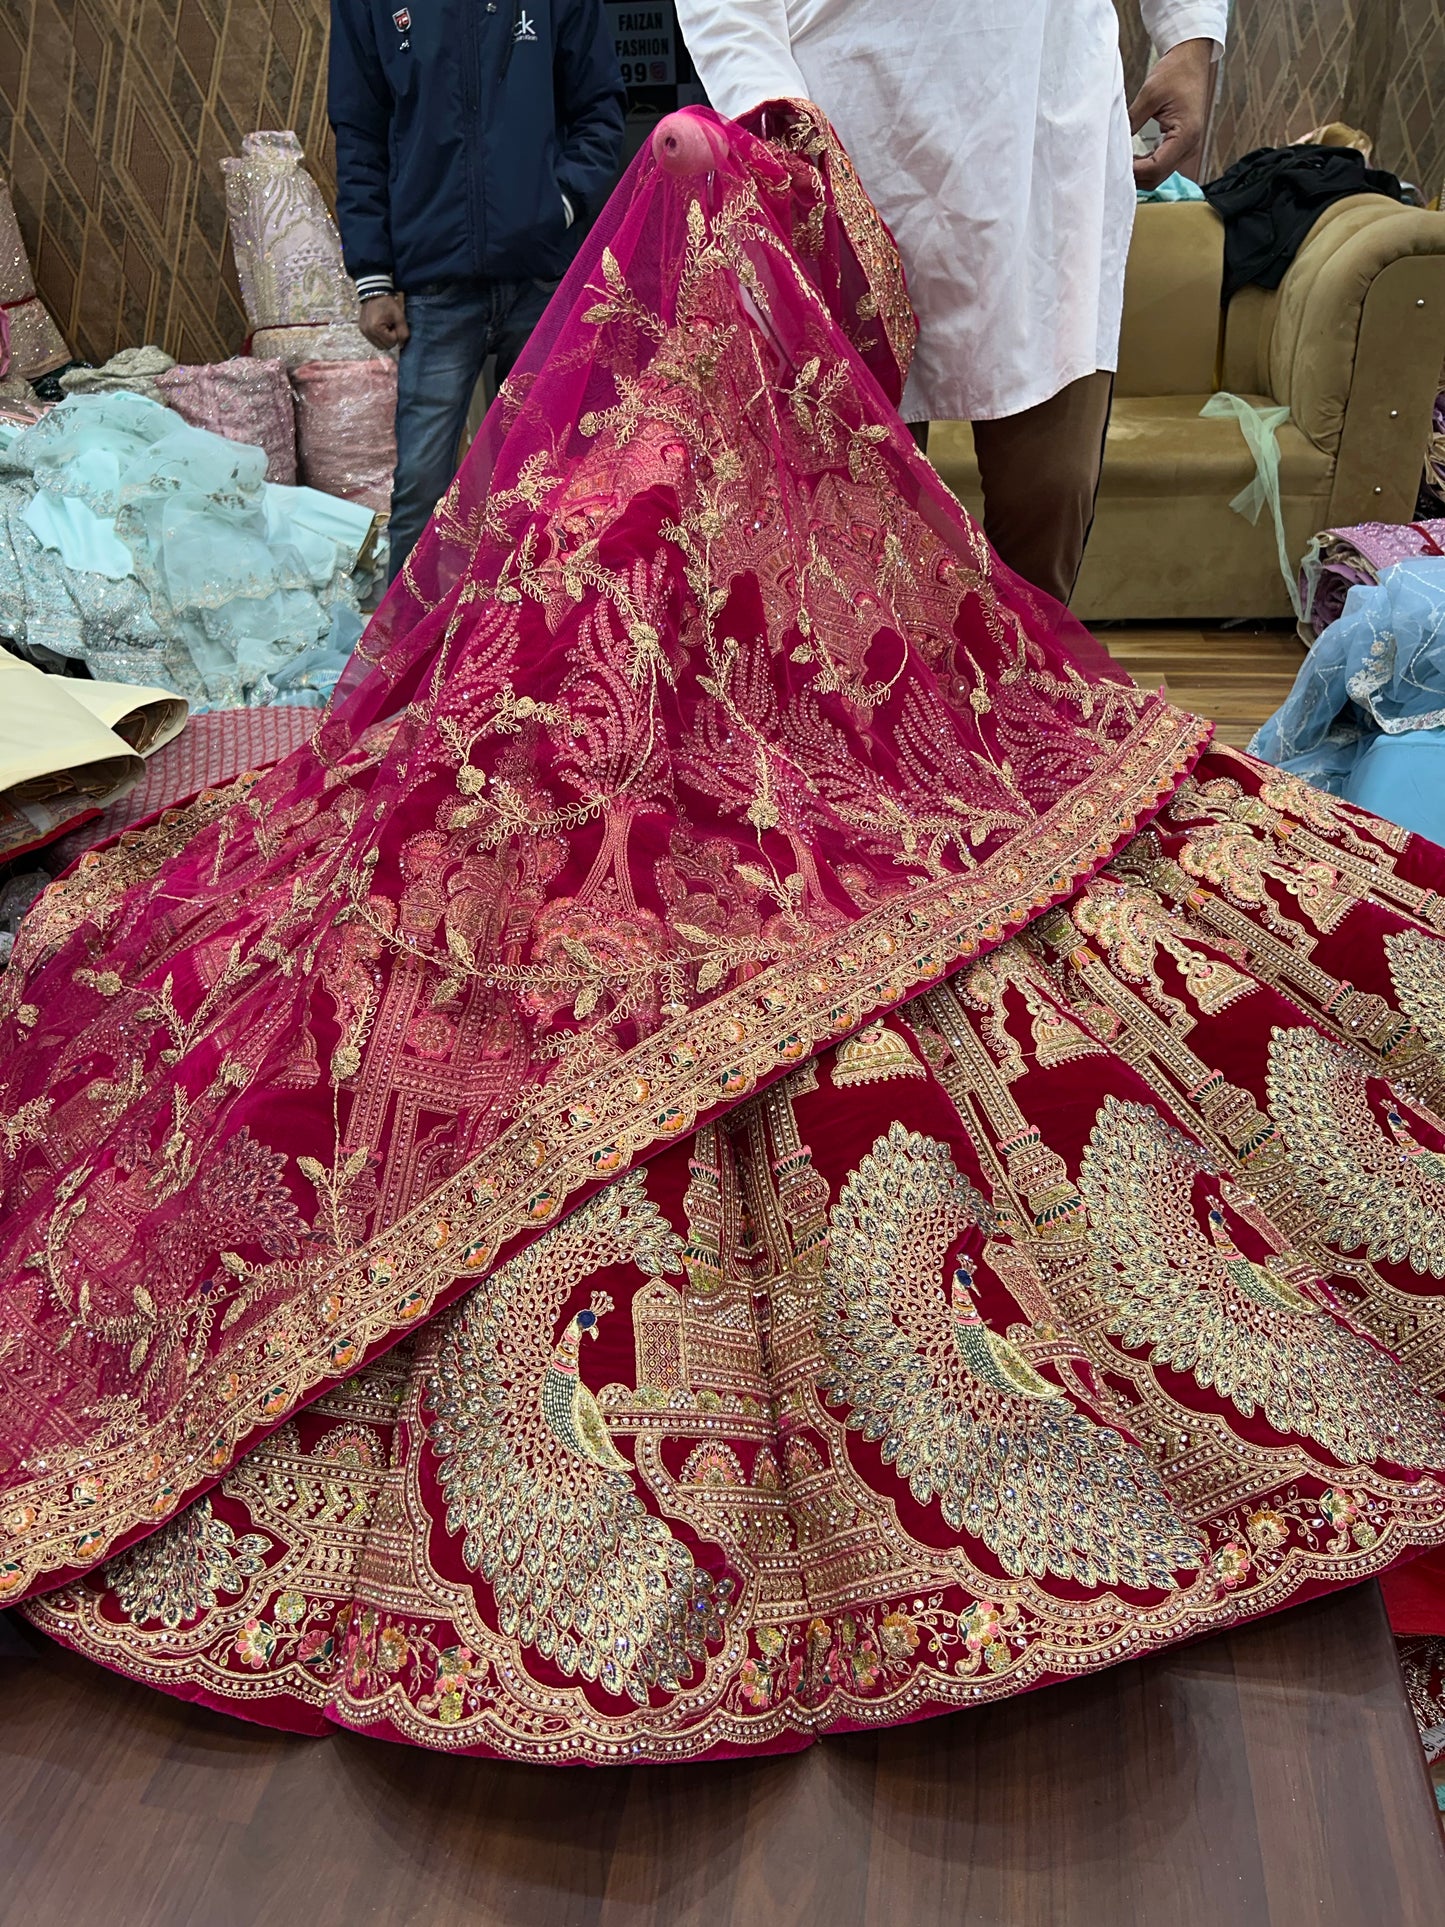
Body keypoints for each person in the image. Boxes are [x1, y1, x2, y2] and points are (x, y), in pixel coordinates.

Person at [5, 108, 1445, 1763]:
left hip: (528, 871)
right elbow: (916, 681)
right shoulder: (832, 476)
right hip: (719, 852)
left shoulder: (570, 470)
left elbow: (486, 706)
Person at [673, 0, 1227, 605]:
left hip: (1045, 129)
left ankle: (1023, 697)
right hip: (839, 132)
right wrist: (765, 100)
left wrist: (1189, 34)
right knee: (849, 551)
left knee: (1049, 501)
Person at [328, 0, 627, 581]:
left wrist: (558, 205)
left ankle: (532, 652)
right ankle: (405, 663)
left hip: (540, 276)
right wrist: (374, 279)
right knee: (421, 487)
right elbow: (360, 133)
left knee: (549, 481)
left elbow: (599, 104)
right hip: (436, 286)